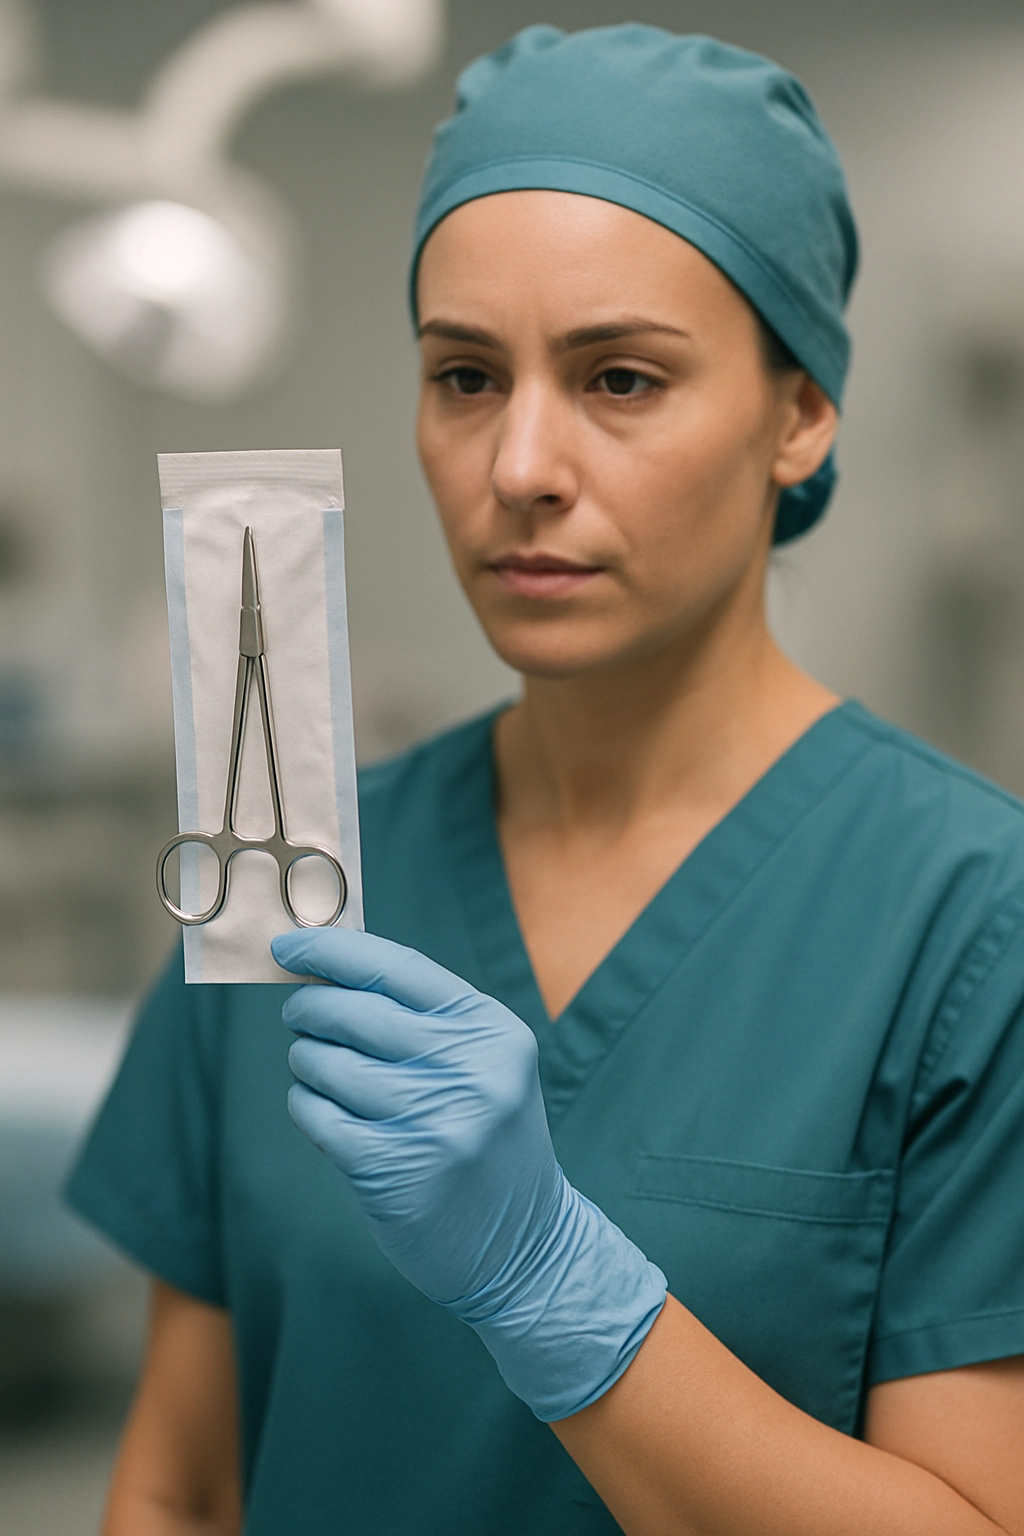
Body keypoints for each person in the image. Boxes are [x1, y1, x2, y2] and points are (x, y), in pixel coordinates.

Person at [69, 25, 1024, 1536]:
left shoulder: (970, 925)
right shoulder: (284, 890)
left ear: (799, 416)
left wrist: (556, 1287)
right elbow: (181, 1489)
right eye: (464, 375)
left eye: (620, 379)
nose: (519, 465)